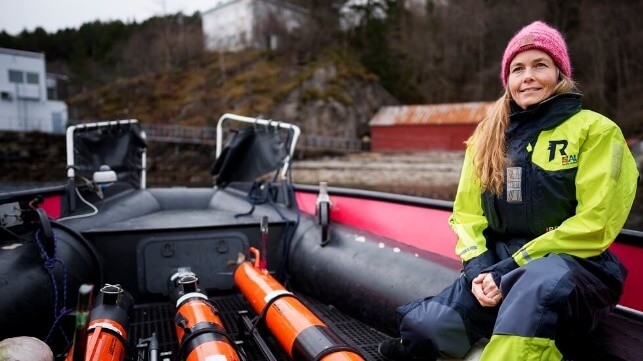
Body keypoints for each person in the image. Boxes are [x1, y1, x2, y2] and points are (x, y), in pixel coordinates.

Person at [378, 20, 639, 361]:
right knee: (427, 329)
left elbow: (596, 222)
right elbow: (467, 215)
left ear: (560, 74)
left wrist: (508, 270)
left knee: (533, 293)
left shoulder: (597, 131)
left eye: (540, 65)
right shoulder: (488, 138)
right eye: (518, 68)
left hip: (574, 269)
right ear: (508, 81)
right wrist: (481, 270)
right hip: (500, 265)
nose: (527, 76)